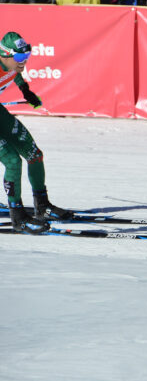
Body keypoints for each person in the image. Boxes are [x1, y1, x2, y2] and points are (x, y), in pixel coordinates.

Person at [0, 31, 73, 234]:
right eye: (20, 58)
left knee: (35, 155)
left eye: (27, 56)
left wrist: (25, 90)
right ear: (5, 54)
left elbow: (15, 74)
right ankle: (18, 217)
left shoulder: (11, 64)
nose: (24, 62)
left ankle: (43, 206)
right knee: (13, 162)